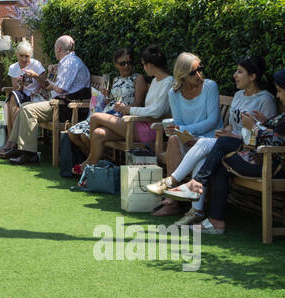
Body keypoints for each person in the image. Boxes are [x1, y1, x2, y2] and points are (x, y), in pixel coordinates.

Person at [148, 55, 276, 225]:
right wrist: (227, 131)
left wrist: (236, 134)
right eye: (194, 72)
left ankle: (171, 183)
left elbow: (267, 136)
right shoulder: (239, 95)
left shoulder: (266, 100)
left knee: (203, 147)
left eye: (239, 72)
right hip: (225, 143)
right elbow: (232, 125)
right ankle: (195, 210)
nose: (234, 75)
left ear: (252, 76)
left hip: (244, 150)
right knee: (186, 145)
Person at [71, 46, 171, 173]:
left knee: (95, 117)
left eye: (143, 64)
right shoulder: (156, 81)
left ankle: (90, 163)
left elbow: (157, 112)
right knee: (98, 133)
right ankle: (94, 169)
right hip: (139, 123)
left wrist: (128, 110)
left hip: (151, 128)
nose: (143, 67)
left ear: (150, 65)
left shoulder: (168, 82)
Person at [147, 52, 221, 218]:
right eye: (193, 72)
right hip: (188, 140)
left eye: (200, 69)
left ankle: (193, 209)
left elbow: (213, 120)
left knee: (199, 157)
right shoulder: (174, 93)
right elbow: (179, 122)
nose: (199, 75)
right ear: (182, 75)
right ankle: (172, 202)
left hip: (209, 141)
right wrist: (180, 132)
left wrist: (189, 133)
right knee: (173, 139)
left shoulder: (210, 86)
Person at [1, 35, 90, 165]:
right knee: (25, 106)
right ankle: (16, 145)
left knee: (28, 109)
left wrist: (49, 82)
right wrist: (56, 69)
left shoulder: (70, 63)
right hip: (60, 103)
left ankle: (29, 154)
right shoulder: (70, 61)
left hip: (66, 107)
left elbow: (60, 89)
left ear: (58, 49)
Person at [2, 40, 47, 139]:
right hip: (22, 96)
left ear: (31, 55)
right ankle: (14, 138)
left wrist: (35, 75)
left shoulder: (36, 65)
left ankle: (12, 139)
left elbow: (45, 84)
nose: (24, 59)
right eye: (21, 55)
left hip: (37, 96)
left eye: (27, 56)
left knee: (9, 103)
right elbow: (16, 89)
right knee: (10, 100)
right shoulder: (13, 67)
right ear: (17, 55)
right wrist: (21, 85)